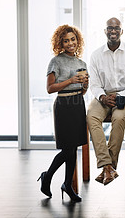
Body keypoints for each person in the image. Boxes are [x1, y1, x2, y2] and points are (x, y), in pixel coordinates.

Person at [38, 24, 89, 202]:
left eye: (73, 39)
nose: (70, 43)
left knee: (73, 148)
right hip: (63, 104)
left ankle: (67, 184)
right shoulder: (56, 61)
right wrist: (70, 80)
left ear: (77, 41)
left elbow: (82, 90)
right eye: (66, 40)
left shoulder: (81, 63)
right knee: (67, 149)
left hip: (78, 103)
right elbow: (50, 88)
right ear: (61, 42)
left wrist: (84, 85)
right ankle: (48, 176)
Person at [87, 17, 125, 186]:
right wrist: (102, 97)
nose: (113, 31)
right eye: (110, 28)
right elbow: (94, 84)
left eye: (117, 28)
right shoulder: (95, 55)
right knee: (92, 116)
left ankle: (108, 167)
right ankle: (107, 165)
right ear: (105, 31)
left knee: (118, 119)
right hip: (102, 95)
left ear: (121, 31)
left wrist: (121, 95)